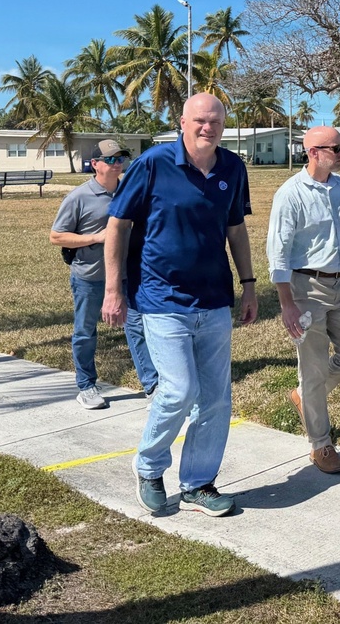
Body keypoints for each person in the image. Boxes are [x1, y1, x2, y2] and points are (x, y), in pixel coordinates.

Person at [101, 93, 258, 518]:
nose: (208, 128)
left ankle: (198, 483)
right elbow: (118, 225)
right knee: (178, 390)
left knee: (216, 399)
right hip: (160, 297)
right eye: (200, 121)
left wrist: (248, 284)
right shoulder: (154, 163)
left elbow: (236, 229)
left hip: (213, 300)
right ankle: (149, 466)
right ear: (182, 122)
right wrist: (114, 290)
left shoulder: (232, 168)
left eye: (216, 121)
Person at [266, 126, 340, 474]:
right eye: (337, 148)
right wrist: (286, 303)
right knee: (311, 366)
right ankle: (321, 445)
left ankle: (305, 396)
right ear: (313, 152)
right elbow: (278, 252)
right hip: (305, 288)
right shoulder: (290, 194)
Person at [50, 140, 158, 409]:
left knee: (136, 328)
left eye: (120, 159)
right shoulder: (78, 197)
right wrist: (96, 237)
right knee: (86, 331)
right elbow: (56, 236)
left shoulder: (130, 192)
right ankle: (86, 386)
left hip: (127, 276)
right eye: (110, 159)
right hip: (90, 277)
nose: (117, 164)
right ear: (95, 164)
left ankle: (152, 385)